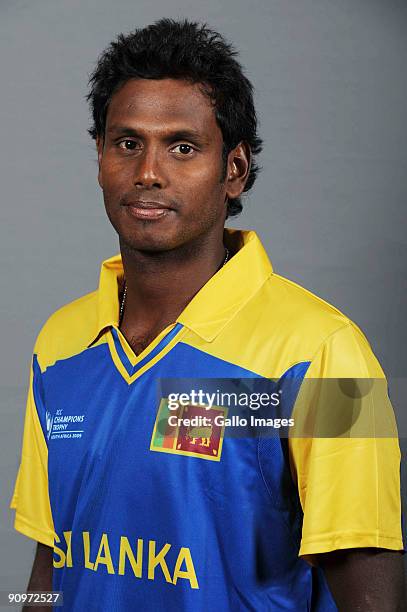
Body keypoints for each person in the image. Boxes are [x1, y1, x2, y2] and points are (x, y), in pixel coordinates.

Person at [10, 18, 405, 611]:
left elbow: (372, 593)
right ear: (99, 157)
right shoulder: (60, 343)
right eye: (127, 143)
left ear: (234, 170)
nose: (148, 172)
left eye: (183, 147)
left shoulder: (328, 351)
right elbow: (49, 563)